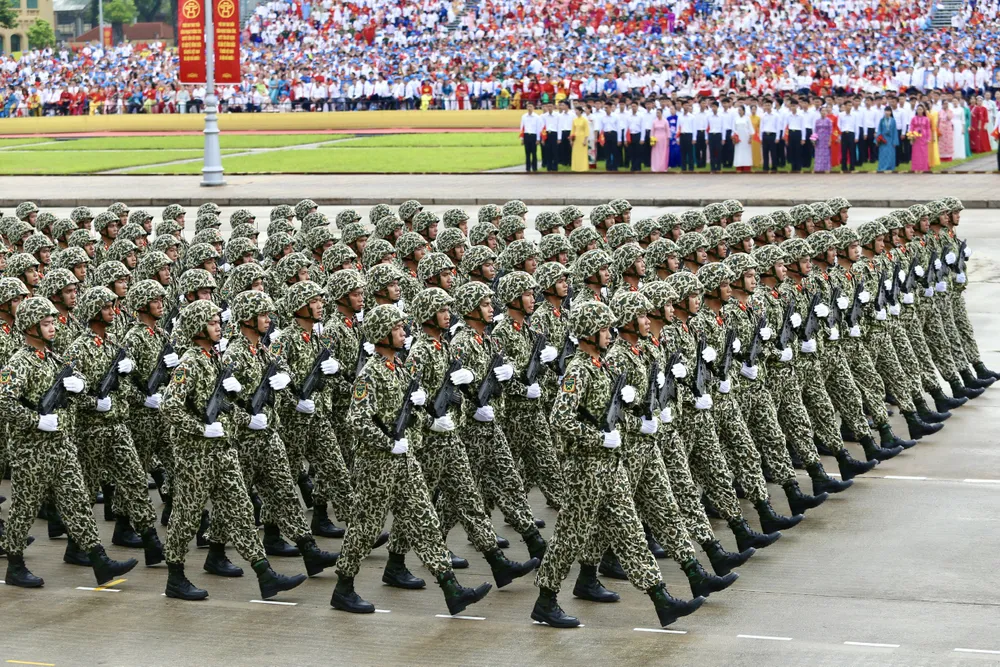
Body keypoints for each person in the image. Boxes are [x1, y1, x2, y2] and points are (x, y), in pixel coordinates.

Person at [530, 299, 705, 630]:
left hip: (612, 465)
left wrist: (635, 418)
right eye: (604, 329)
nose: (611, 334)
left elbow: (618, 413)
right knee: (570, 535)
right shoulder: (579, 370)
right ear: (588, 334)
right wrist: (598, 438)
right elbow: (560, 418)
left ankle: (661, 599)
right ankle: (546, 600)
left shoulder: (604, 367)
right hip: (585, 468)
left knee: (631, 531)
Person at [1, 296, 139, 588]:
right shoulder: (19, 363)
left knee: (77, 502)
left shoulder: (53, 357)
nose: (52, 328)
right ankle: (15, 564)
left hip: (62, 445)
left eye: (53, 323)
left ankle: (99, 561)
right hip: (32, 449)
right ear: (30, 327)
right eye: (46, 324)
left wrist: (79, 386)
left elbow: (81, 384)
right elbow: (4, 401)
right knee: (24, 508)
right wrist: (34, 420)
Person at [910, 105, 931, 173]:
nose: (919, 111)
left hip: (924, 137)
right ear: (916, 110)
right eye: (918, 109)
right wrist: (911, 137)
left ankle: (924, 167)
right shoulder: (913, 119)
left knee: (923, 153)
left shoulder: (926, 119)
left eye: (921, 109)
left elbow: (928, 129)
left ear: (923, 110)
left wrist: (928, 138)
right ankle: (916, 167)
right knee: (916, 153)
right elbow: (911, 128)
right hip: (916, 138)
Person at [877, 108, 899, 172]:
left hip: (891, 140)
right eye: (886, 111)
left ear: (891, 112)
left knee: (891, 154)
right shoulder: (882, 120)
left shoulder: (893, 120)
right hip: (883, 140)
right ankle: (882, 167)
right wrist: (879, 139)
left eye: (889, 111)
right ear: (884, 112)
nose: (887, 112)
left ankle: (890, 167)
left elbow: (895, 131)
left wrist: (895, 141)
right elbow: (879, 130)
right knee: (883, 153)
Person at [813, 105, 833, 173]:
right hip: (819, 139)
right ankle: (818, 168)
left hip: (826, 139)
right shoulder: (817, 121)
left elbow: (831, 131)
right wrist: (814, 140)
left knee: (826, 154)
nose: (823, 112)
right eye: (822, 111)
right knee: (818, 153)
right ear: (820, 112)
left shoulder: (829, 121)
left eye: (825, 111)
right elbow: (815, 130)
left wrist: (830, 141)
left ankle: (826, 168)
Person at [732, 106, 753, 172]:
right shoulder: (735, 118)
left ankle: (747, 167)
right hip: (738, 137)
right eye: (738, 110)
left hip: (746, 137)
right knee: (738, 152)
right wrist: (734, 137)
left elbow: (751, 129)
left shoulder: (747, 118)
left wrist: (750, 138)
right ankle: (739, 167)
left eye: (740, 110)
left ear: (744, 111)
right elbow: (733, 128)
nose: (739, 111)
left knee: (746, 152)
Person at [571, 106, 591, 172]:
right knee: (576, 153)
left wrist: (585, 140)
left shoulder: (584, 120)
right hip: (576, 138)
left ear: (580, 111)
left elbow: (586, 130)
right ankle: (575, 167)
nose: (576, 112)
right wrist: (571, 139)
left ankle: (583, 167)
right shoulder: (574, 120)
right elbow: (573, 130)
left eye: (577, 110)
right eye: (575, 110)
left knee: (582, 153)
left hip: (582, 138)